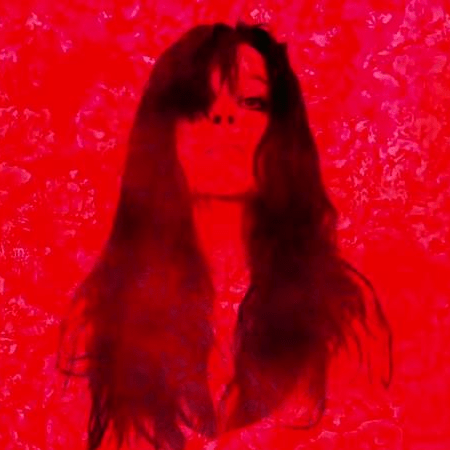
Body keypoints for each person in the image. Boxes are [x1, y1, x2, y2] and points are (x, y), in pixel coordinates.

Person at [56, 20, 394, 450]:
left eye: (252, 101)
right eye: (197, 102)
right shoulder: (102, 314)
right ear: (164, 136)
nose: (223, 116)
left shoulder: (341, 312)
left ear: (283, 131)